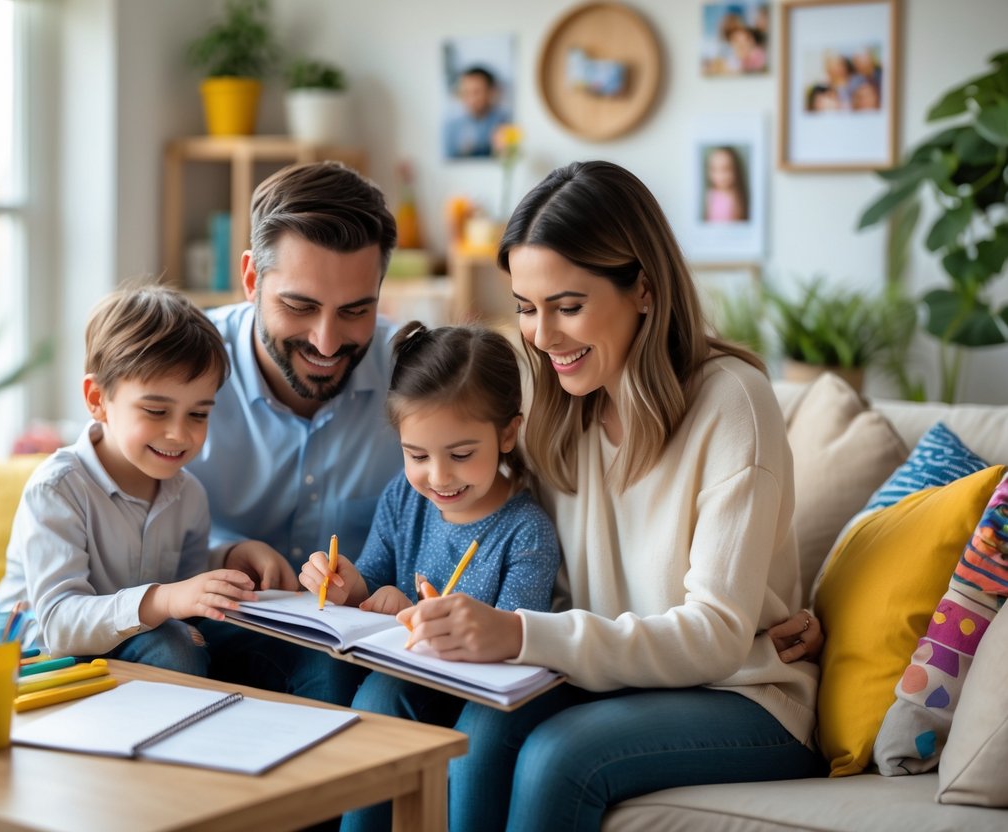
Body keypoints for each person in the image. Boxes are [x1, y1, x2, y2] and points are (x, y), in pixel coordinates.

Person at [399, 160, 825, 830]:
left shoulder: (731, 402)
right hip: (608, 680)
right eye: (526, 309)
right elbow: (501, 535)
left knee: (557, 757)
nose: (542, 337)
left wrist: (515, 634)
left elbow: (714, 636)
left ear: (644, 290)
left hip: (743, 697)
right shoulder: (552, 402)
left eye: (568, 307)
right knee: (481, 734)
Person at [308, 321, 560, 832]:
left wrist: (422, 615)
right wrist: (348, 586)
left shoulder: (526, 530)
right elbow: (375, 579)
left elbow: (517, 636)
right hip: (411, 680)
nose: (439, 477)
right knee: (377, 697)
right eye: (417, 456)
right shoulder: (403, 499)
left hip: (484, 695)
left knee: (474, 737)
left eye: (462, 455)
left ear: (508, 433)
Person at [185, 161, 403, 701]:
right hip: (198, 628)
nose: (327, 343)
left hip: (355, 651)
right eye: (299, 307)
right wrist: (225, 552)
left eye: (357, 311)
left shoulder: (420, 380)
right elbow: (114, 505)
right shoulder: (178, 371)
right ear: (252, 278)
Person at [0, 283, 256, 675]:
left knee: (248, 641)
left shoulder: (190, 497)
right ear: (97, 399)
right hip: (43, 661)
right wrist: (164, 602)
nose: (179, 434)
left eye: (198, 415)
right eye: (155, 411)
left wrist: (230, 562)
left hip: (136, 644)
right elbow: (60, 624)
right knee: (174, 651)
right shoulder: (57, 489)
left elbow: (184, 595)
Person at [444, 65, 511, 159]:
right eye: (466, 92)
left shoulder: (506, 122)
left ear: (491, 92)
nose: (471, 100)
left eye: (477, 92)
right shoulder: (452, 127)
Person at [703, 146, 749, 223]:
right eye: (714, 169)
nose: (720, 175)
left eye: (726, 169)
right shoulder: (710, 194)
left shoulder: (737, 196)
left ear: (736, 170)